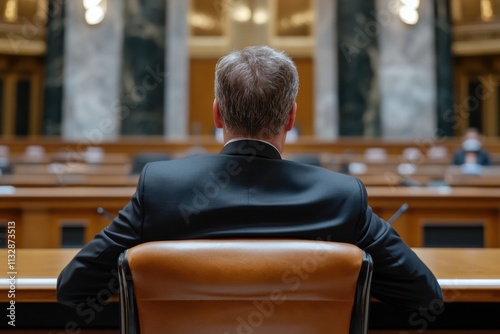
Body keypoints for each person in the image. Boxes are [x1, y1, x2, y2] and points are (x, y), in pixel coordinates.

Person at [57, 46, 442, 313]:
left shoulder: (161, 188)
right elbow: (425, 297)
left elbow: (74, 287)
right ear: (291, 117)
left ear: (217, 114)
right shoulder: (342, 197)